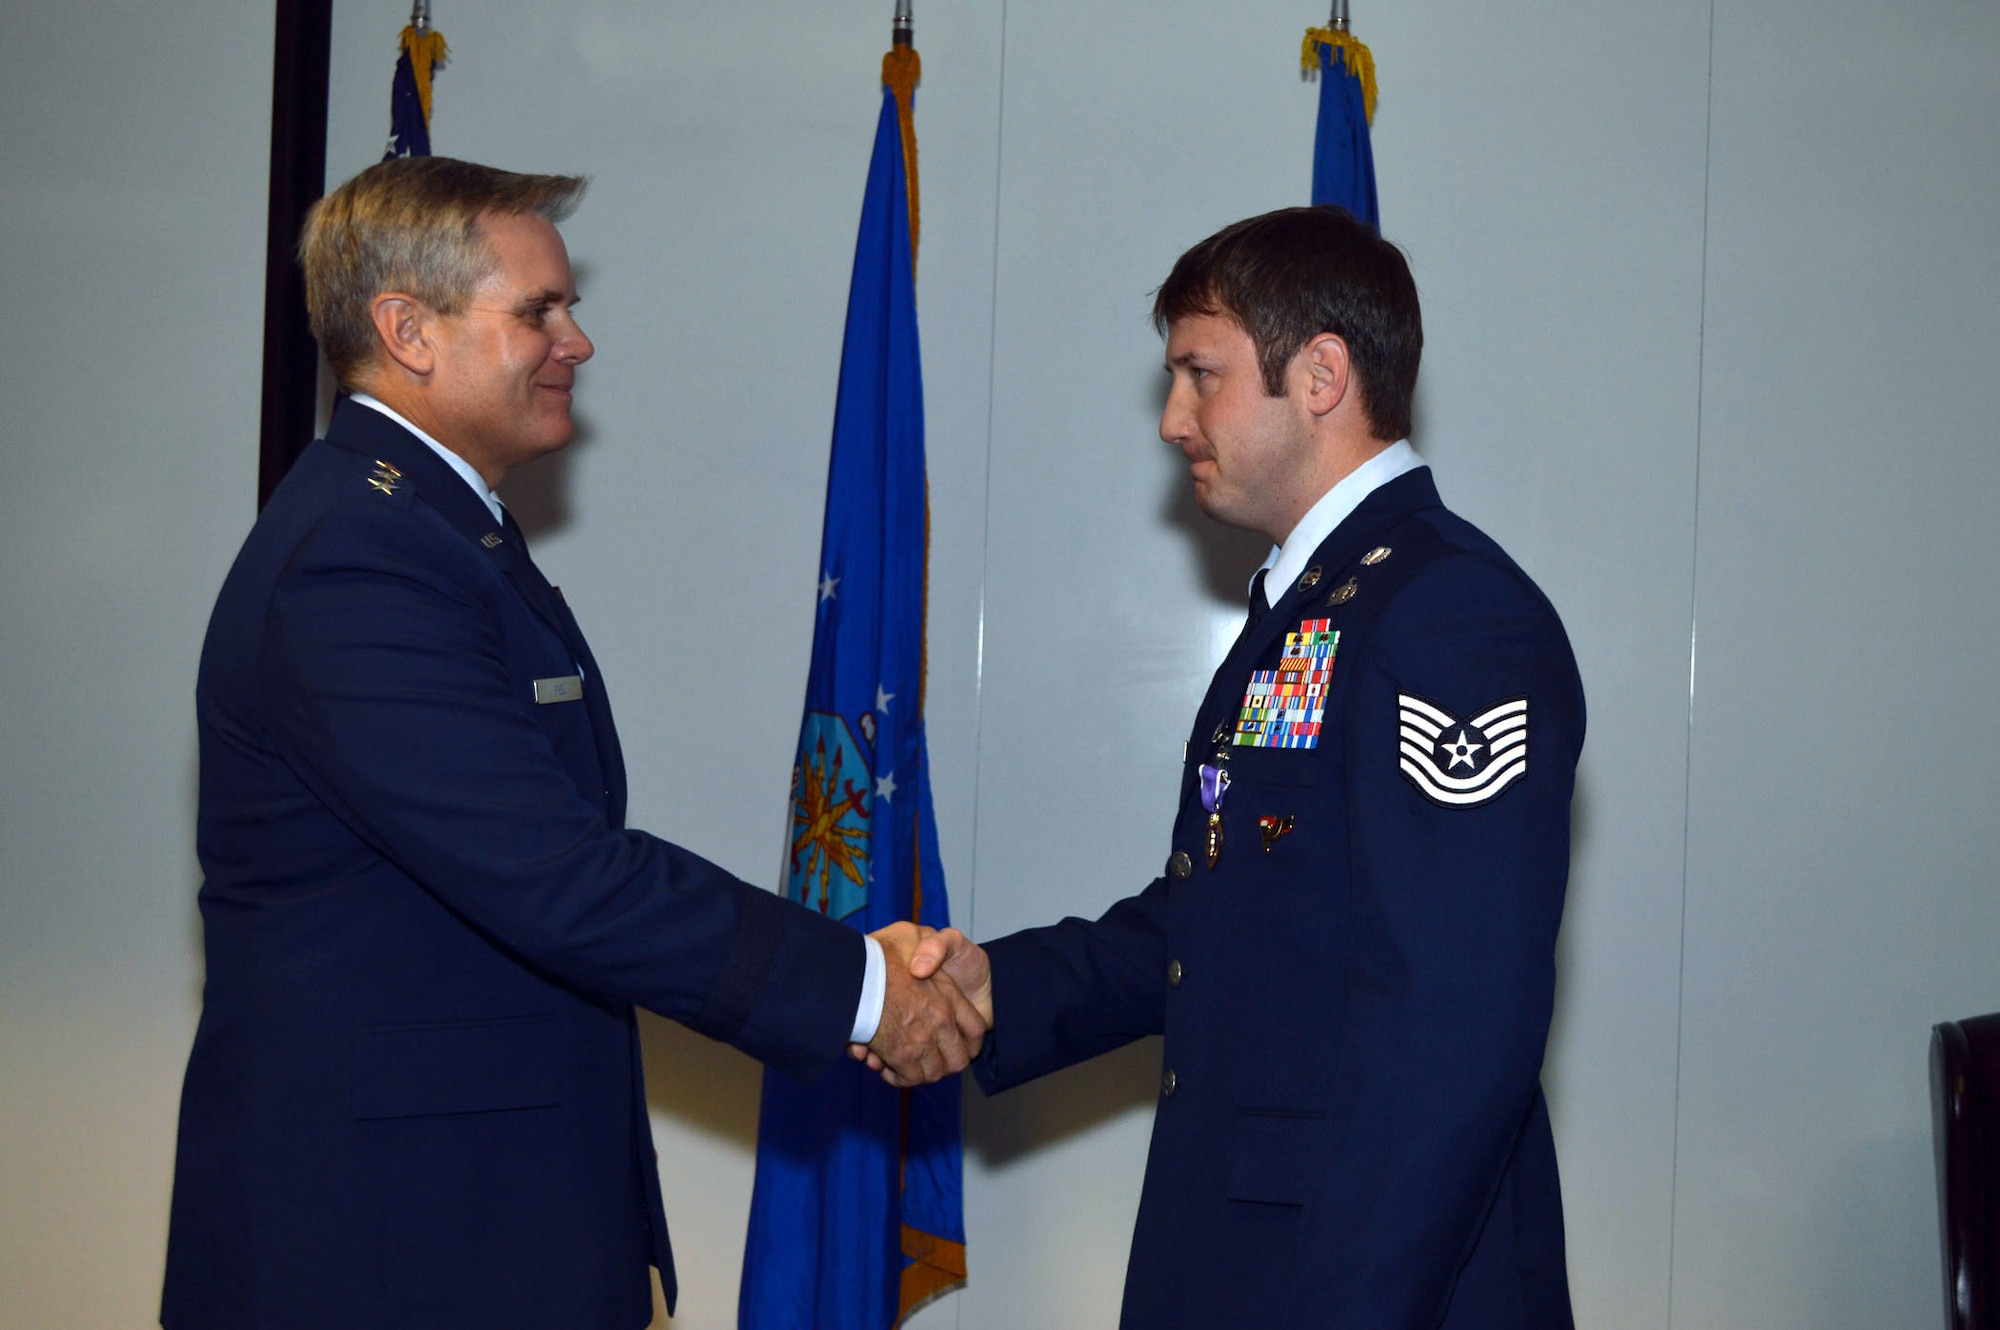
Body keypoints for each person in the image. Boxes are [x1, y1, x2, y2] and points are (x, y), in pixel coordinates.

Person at [161, 157, 982, 1330]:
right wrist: (862, 988)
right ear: (408, 331)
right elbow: (560, 877)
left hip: (473, 1234)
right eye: (538, 310)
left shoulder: (435, 534)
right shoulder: (358, 562)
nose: (576, 342)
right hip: (386, 1254)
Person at [874, 206, 1586, 1328]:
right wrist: (994, 992)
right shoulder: (1316, 600)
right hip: (1243, 1259)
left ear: (1319, 373)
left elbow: (1452, 1027)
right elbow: (1219, 919)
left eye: (1198, 376)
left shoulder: (1445, 612)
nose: (1170, 420)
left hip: (1355, 1283)